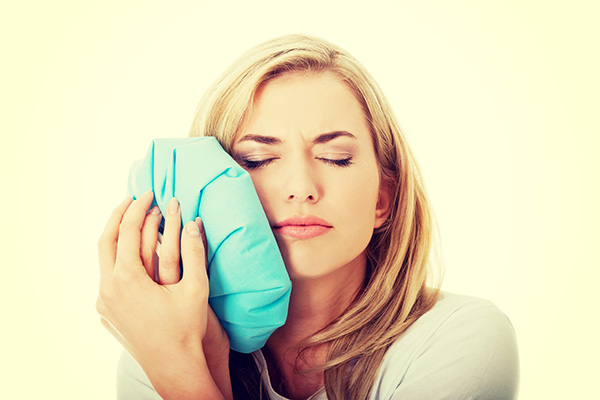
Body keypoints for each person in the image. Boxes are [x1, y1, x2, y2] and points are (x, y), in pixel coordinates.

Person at [96, 34, 519, 399]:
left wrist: (178, 371)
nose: (302, 186)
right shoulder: (151, 346)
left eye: (334, 158)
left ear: (382, 200)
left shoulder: (463, 339)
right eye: (257, 159)